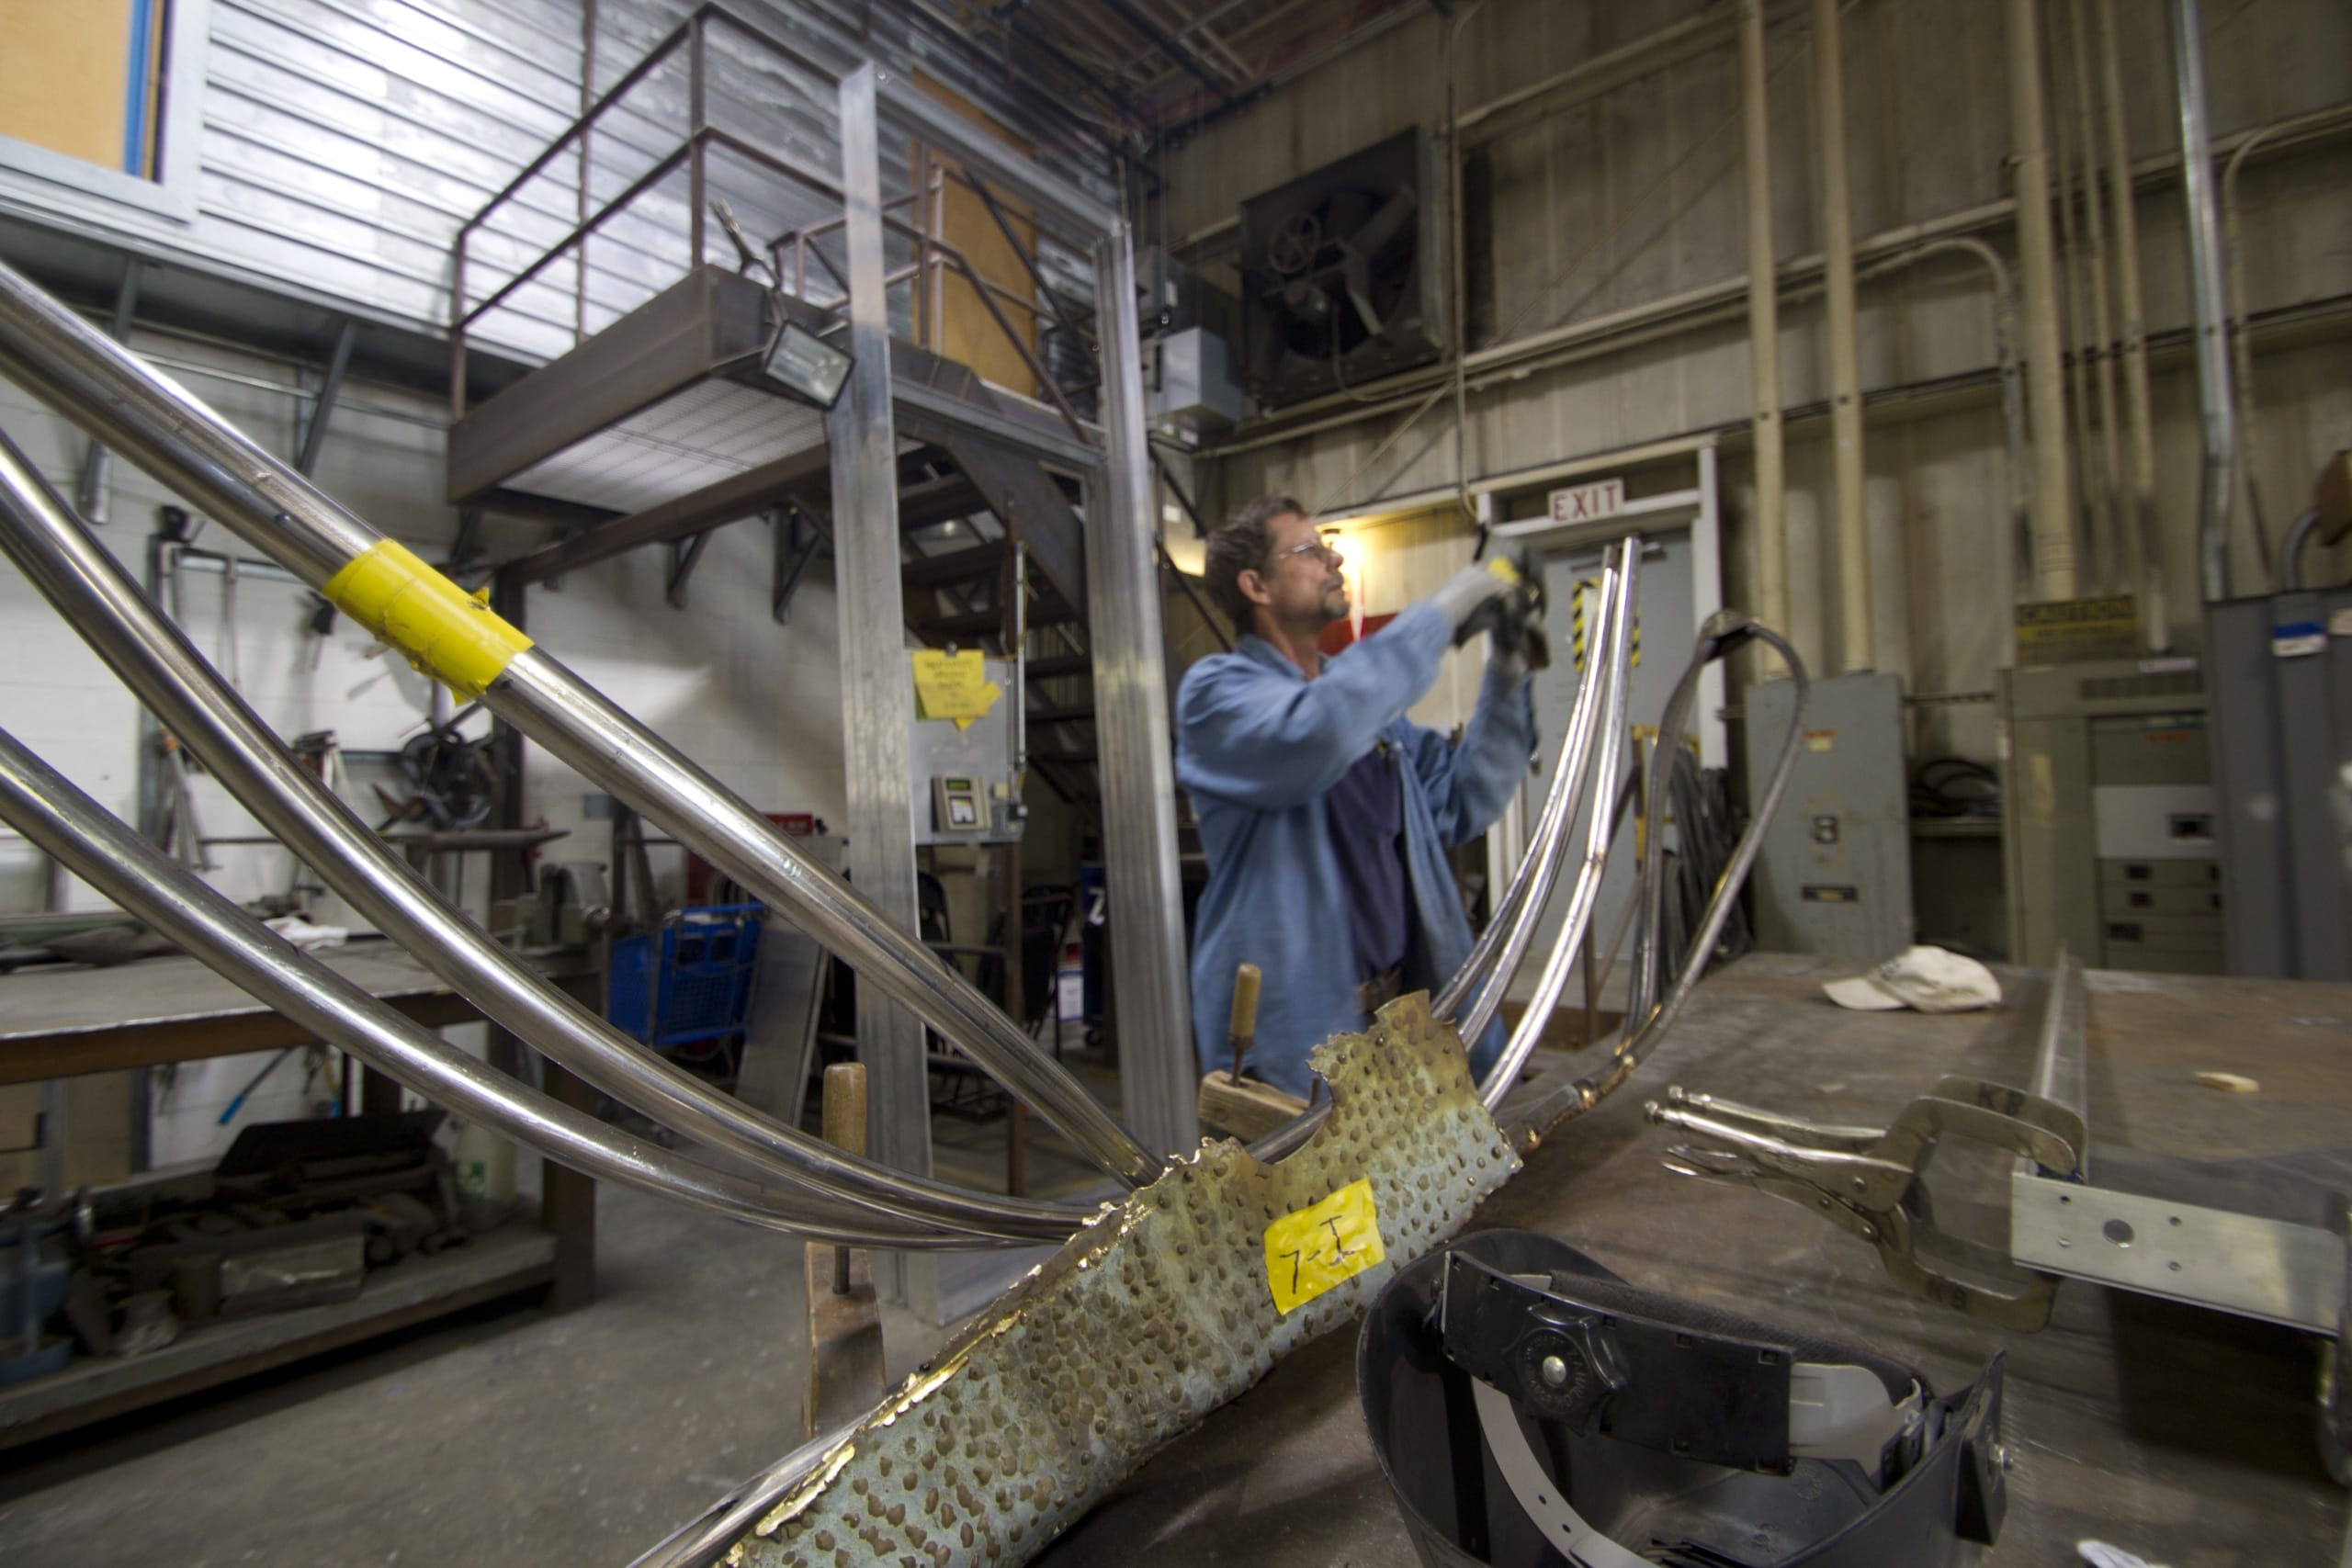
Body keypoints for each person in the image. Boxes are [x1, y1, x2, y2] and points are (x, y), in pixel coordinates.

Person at [1176, 494, 1541, 1100]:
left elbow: (1467, 797)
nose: (1334, 559)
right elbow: (1315, 731)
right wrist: (1445, 610)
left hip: (1395, 1021)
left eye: (1330, 547)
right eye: (1311, 551)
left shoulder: (1376, 726)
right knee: (1311, 1195)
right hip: (1294, 1037)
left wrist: (1508, 663)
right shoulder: (1216, 695)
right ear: (1255, 585)